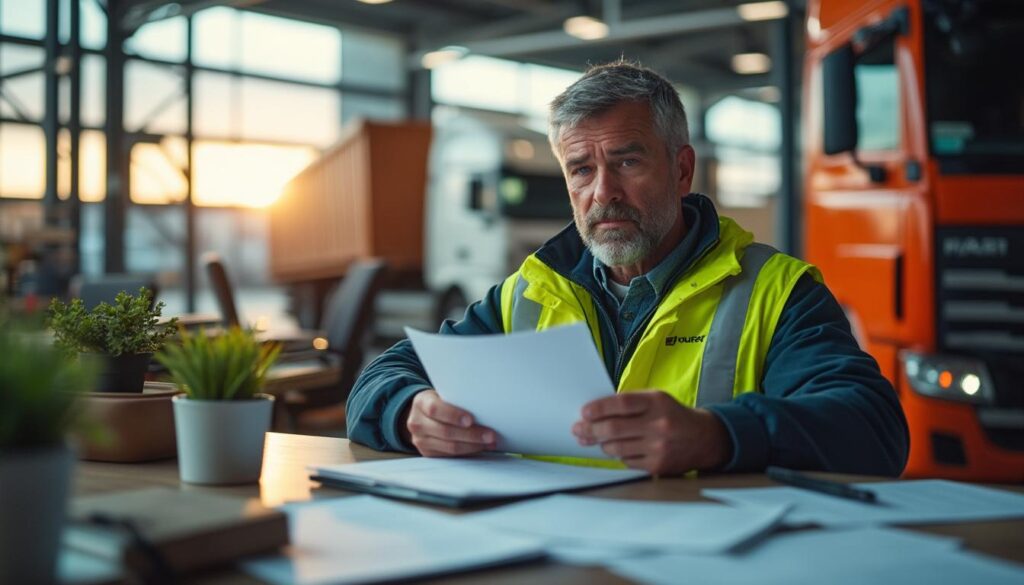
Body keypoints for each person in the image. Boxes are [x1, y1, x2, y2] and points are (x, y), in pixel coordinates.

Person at [346, 60, 909, 477]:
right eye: (581, 169)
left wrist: (721, 436)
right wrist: (410, 410)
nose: (602, 193)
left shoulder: (777, 292)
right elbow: (379, 378)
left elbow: (874, 429)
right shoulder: (528, 292)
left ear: (681, 169)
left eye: (627, 161)